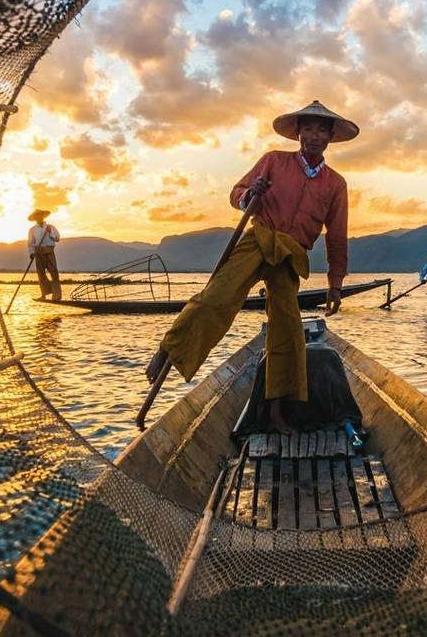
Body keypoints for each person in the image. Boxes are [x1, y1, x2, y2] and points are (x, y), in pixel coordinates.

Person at [144, 100, 357, 434]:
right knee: (218, 297)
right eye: (309, 128)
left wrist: (335, 283)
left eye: (321, 130)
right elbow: (237, 193)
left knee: (287, 330)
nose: (314, 135)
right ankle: (169, 347)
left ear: (330, 137)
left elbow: (337, 237)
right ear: (298, 133)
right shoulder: (274, 160)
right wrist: (250, 194)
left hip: (291, 254)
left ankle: (276, 412)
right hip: (258, 238)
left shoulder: (335, 184)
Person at [27, 209, 62, 301]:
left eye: (40, 215)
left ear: (43, 216)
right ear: (35, 218)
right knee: (41, 274)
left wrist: (50, 232)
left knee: (54, 273)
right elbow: (30, 243)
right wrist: (31, 253)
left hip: (49, 252)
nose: (39, 217)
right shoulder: (32, 230)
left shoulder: (51, 227)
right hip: (38, 253)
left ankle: (57, 295)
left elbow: (57, 239)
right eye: (37, 216)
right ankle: (44, 294)